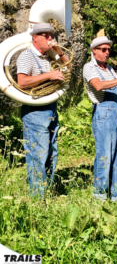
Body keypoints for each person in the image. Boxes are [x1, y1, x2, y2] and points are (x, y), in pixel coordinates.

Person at [16, 22, 70, 196]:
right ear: (35, 38)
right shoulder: (26, 56)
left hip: (50, 107)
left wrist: (59, 53)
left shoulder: (49, 56)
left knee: (51, 153)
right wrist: (49, 75)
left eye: (50, 36)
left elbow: (69, 67)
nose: (50, 39)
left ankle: (46, 191)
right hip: (34, 111)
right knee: (38, 155)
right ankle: (37, 197)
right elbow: (22, 82)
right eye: (46, 36)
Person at [83, 33, 117, 201]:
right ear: (94, 50)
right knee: (104, 154)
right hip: (103, 112)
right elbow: (98, 85)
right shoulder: (89, 67)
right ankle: (99, 194)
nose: (107, 53)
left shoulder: (110, 68)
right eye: (103, 49)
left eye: (108, 50)